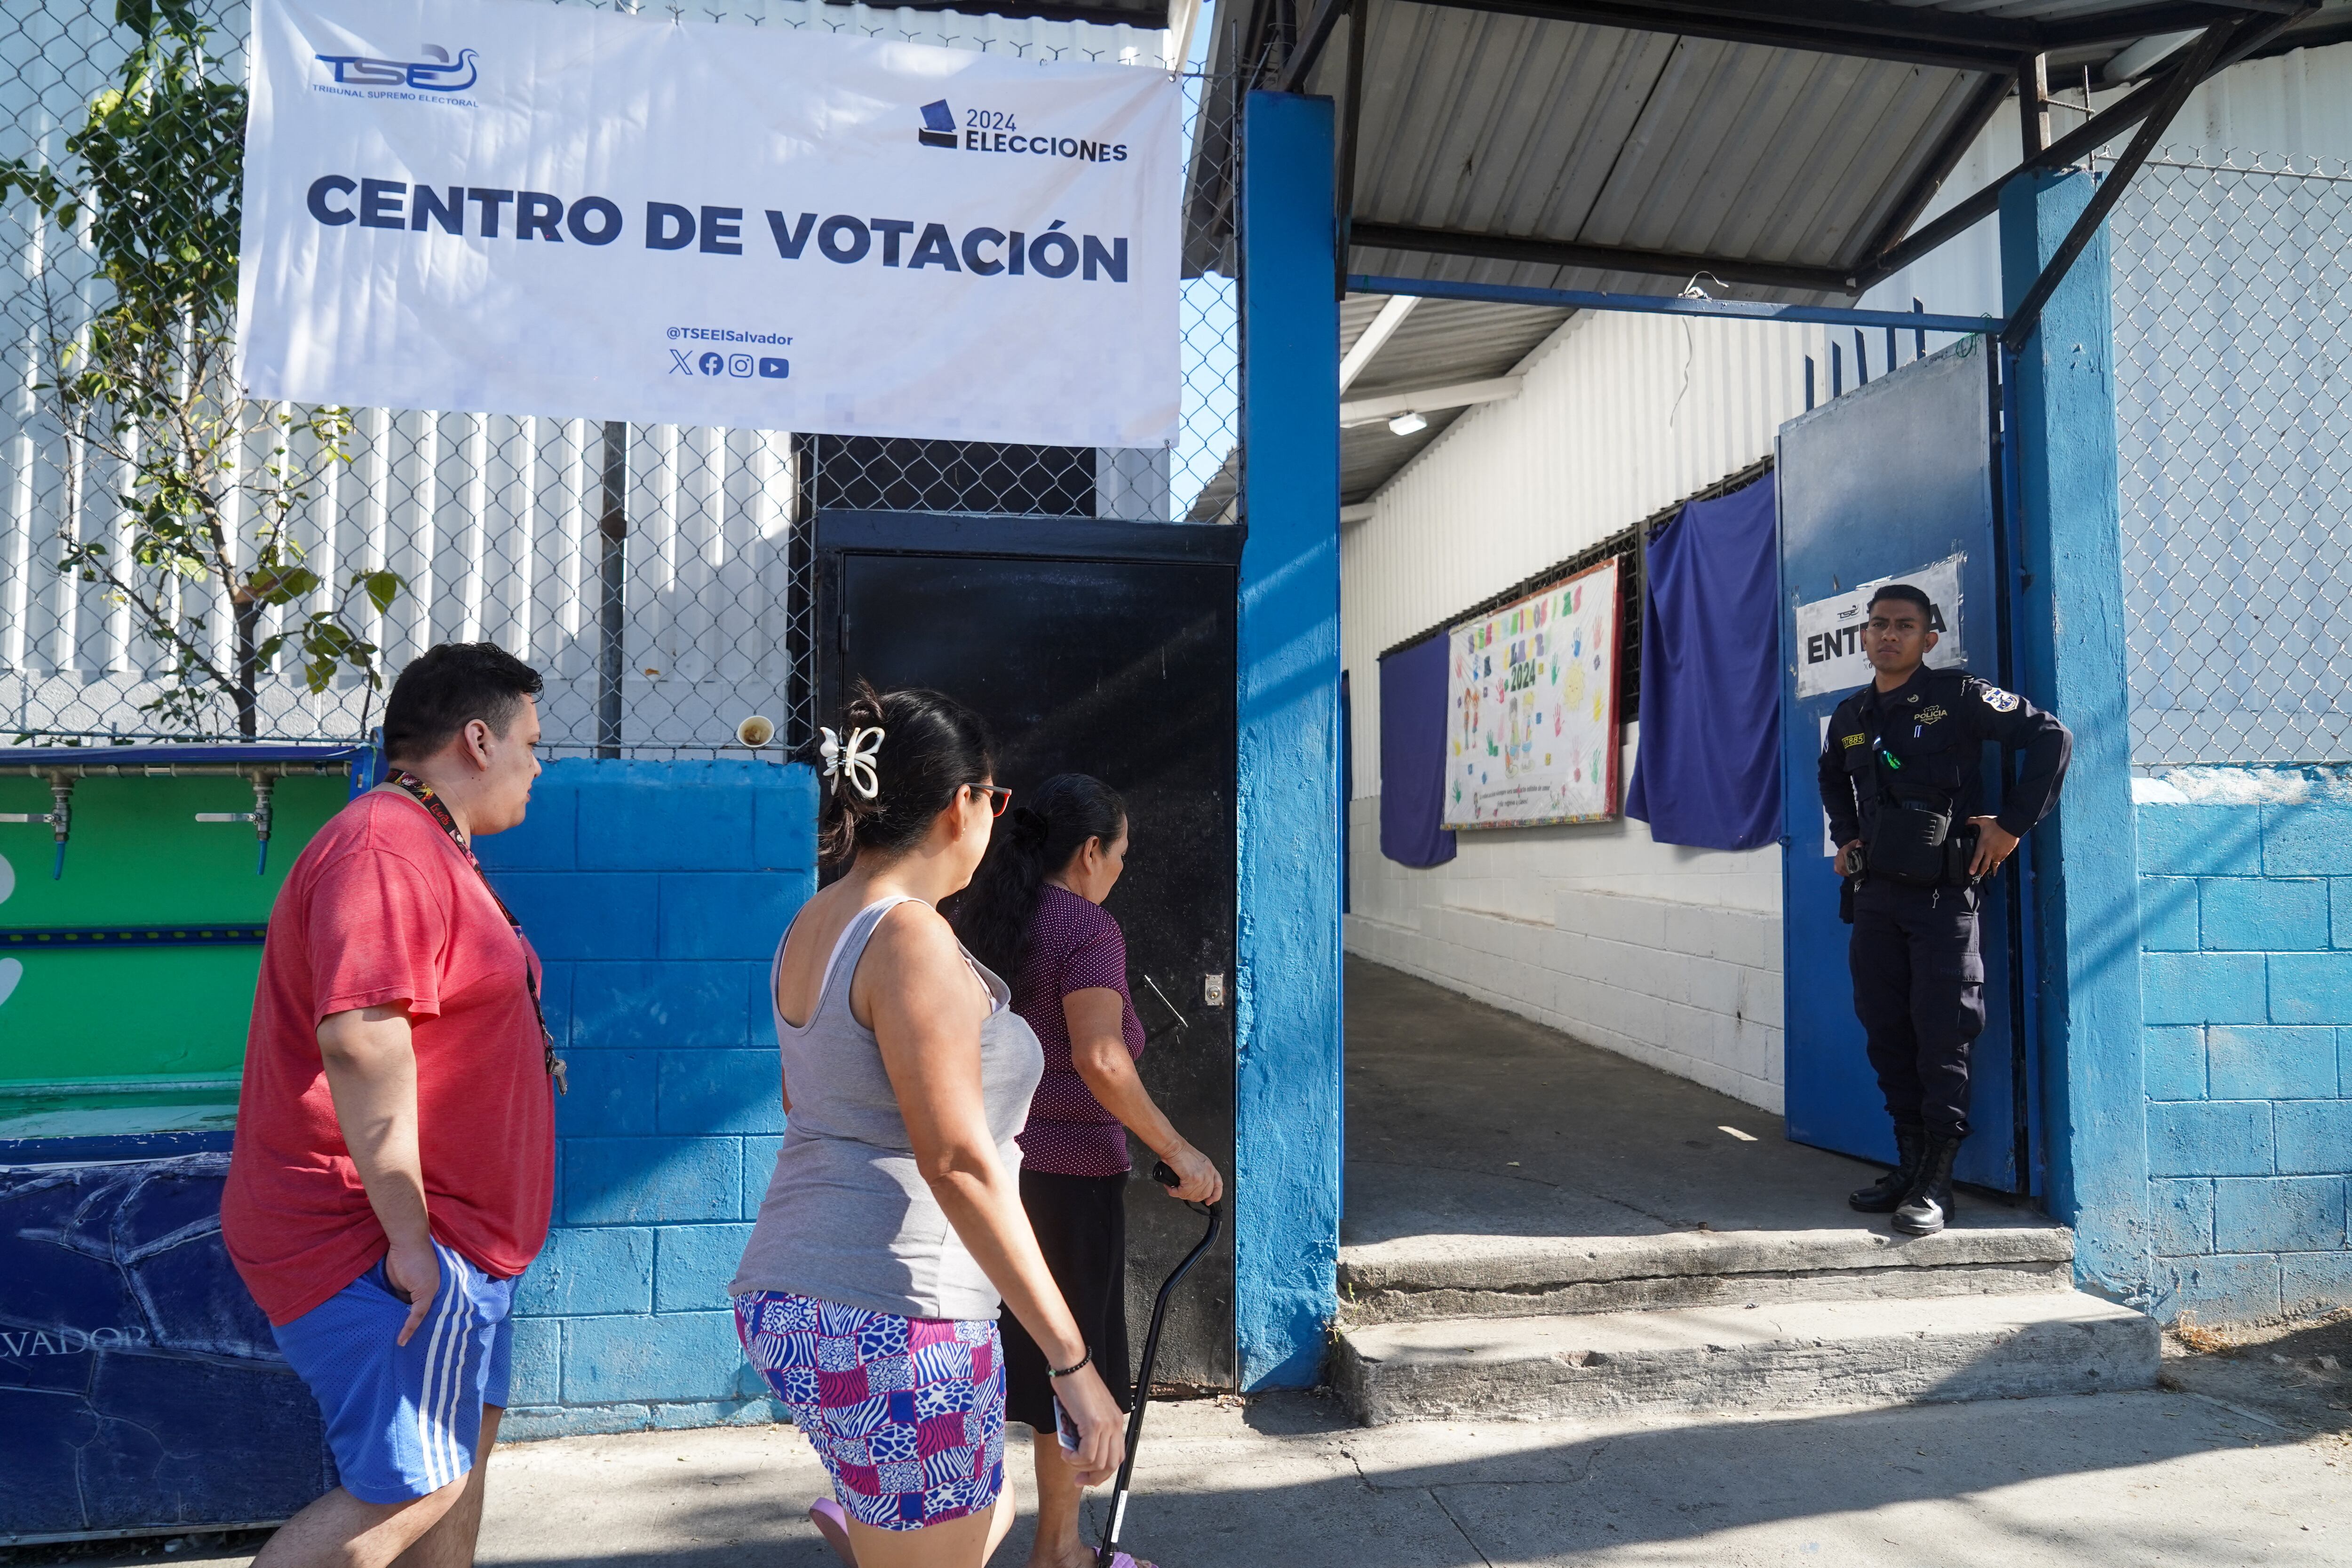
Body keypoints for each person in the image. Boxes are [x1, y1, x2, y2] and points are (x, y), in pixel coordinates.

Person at [731, 687, 1126, 1568]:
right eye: (995, 798)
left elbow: (813, 1108)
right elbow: (957, 1161)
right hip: (900, 1318)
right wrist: (1073, 1364)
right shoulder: (911, 939)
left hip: (799, 1295)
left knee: (986, 1505)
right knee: (960, 1520)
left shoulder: (816, 920)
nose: (994, 816)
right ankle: (884, 1525)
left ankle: (876, 1520)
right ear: (963, 803)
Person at [222, 642, 554, 1568]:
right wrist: (407, 1235)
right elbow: (360, 1035)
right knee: (415, 1484)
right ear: (477, 740)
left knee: (456, 1461)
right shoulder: (384, 846)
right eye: (533, 742)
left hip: (464, 1238)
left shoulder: (435, 845)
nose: (541, 764)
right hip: (383, 1237)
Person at [951, 775, 1224, 1568]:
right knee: (1069, 1371)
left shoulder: (976, 911)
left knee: (990, 1361)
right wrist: (1180, 1151)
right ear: (1091, 851)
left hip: (990, 1172)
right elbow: (1101, 1057)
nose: (1122, 871)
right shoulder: (1087, 928)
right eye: (1122, 854)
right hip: (1071, 1182)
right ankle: (1060, 1551)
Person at [1818, 585, 2071, 1236]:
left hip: (1943, 898)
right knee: (1885, 1027)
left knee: (1943, 1032)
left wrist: (2012, 824)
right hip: (1875, 898)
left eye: (1905, 626)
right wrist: (1846, 833)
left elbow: (2051, 737)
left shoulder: (1958, 697)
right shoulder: (1850, 714)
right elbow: (1830, 774)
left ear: (1930, 639)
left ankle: (1938, 1181)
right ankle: (1908, 1164)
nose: (1889, 636)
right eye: (1878, 625)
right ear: (1864, 636)